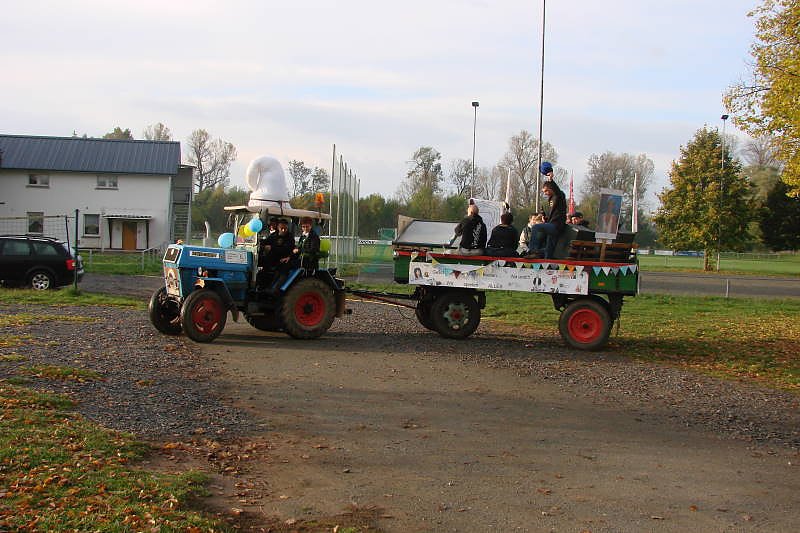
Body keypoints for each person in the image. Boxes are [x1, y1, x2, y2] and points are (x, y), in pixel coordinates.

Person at [529, 180, 567, 259]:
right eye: (544, 192)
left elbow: (557, 190)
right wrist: (546, 218)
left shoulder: (559, 195)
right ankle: (547, 260)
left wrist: (551, 180)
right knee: (549, 250)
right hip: (553, 225)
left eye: (546, 191)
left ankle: (533, 251)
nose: (545, 193)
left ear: (551, 188)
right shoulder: (551, 199)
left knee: (536, 227)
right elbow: (554, 215)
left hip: (557, 226)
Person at [257, 218, 294, 288]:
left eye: (285, 228)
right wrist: (259, 242)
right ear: (278, 227)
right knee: (258, 260)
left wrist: (272, 248)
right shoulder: (274, 235)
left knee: (280, 267)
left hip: (282, 259)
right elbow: (266, 241)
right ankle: (257, 284)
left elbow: (286, 249)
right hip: (271, 258)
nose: (283, 230)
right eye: (281, 228)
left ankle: (273, 288)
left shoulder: (290, 237)